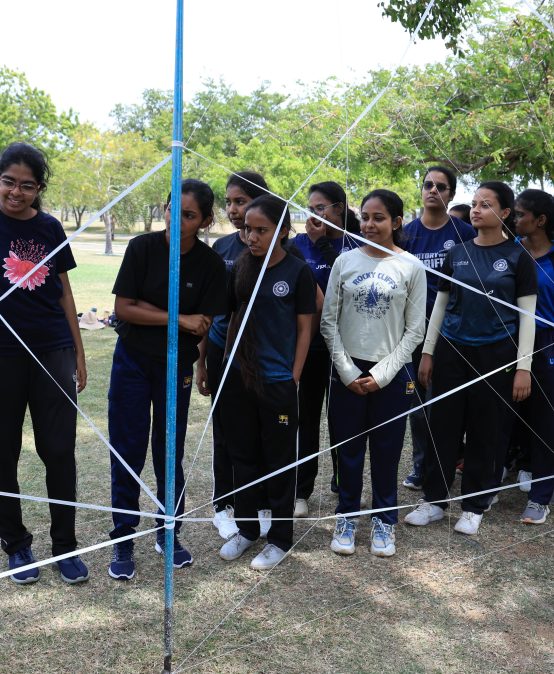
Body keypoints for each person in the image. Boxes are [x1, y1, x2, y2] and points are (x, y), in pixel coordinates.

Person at [107, 178, 226, 580]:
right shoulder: (141, 248)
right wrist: (178, 318)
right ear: (165, 208)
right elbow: (124, 309)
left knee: (169, 449)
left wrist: (159, 315)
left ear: (205, 221)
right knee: (127, 446)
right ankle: (123, 536)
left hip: (176, 366)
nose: (178, 221)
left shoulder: (210, 264)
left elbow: (203, 324)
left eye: (189, 215)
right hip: (132, 361)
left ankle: (168, 531)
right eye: (174, 210)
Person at [405, 181, 537, 535]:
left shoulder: (518, 257)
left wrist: (523, 367)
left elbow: (527, 317)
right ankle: (434, 500)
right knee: (441, 425)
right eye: (474, 203)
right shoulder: (458, 253)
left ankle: (474, 505)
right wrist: (428, 351)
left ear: (505, 213)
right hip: (451, 349)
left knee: (486, 429)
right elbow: (441, 306)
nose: (476, 210)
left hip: (497, 353)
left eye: (485, 204)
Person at [0, 142, 88, 584]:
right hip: (3, 354)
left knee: (58, 450)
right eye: (8, 182)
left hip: (53, 349)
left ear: (39, 188)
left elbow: (64, 292)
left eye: (27, 185)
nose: (16, 192)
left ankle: (65, 546)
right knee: (3, 453)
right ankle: (16, 544)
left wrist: (78, 351)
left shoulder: (50, 227)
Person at [321, 189, 426, 557]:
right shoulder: (345, 262)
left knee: (387, 450)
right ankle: (347, 515)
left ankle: (384, 520)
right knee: (348, 449)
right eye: (365, 217)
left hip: (391, 374)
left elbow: (415, 330)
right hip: (347, 371)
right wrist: (347, 370)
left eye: (378, 218)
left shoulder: (411, 266)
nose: (369, 224)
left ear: (396, 222)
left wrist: (382, 374)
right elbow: (329, 322)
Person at [218, 195, 316, 570]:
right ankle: (246, 530)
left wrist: (294, 376)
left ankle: (280, 538)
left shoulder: (297, 272)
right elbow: (231, 319)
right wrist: (223, 365)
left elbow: (305, 329)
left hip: (278, 382)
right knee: (242, 456)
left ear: (284, 231)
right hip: (239, 379)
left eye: (262, 230)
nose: (252, 237)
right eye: (248, 229)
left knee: (279, 461)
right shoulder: (240, 268)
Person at [195, 171, 272, 541]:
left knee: (262, 431)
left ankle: (261, 503)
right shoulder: (222, 248)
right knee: (226, 431)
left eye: (240, 201)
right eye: (228, 202)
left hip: (264, 356)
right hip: (222, 353)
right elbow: (208, 310)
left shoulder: (277, 247)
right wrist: (201, 362)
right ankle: (224, 504)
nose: (233, 209)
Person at [401, 167, 475, 489]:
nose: (433, 190)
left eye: (440, 187)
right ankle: (422, 465)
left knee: (448, 404)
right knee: (418, 407)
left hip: (452, 332)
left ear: (451, 195)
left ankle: (450, 461)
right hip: (412, 331)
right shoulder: (405, 234)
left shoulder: (464, 233)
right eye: (428, 185)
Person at [292, 181, 362, 517]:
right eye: (311, 208)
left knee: (342, 420)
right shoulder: (297, 244)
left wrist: (322, 244)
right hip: (308, 346)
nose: (315, 215)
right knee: (305, 419)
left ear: (339, 208)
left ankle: (343, 484)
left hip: (344, 346)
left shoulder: (356, 244)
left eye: (321, 208)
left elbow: (348, 283)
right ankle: (301, 490)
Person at [514, 189, 554, 524]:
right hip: (509, 341)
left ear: (540, 220)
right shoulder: (511, 251)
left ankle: (540, 497)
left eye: (520, 215)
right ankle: (487, 487)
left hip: (547, 345)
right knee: (506, 417)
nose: (514, 220)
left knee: (545, 420)